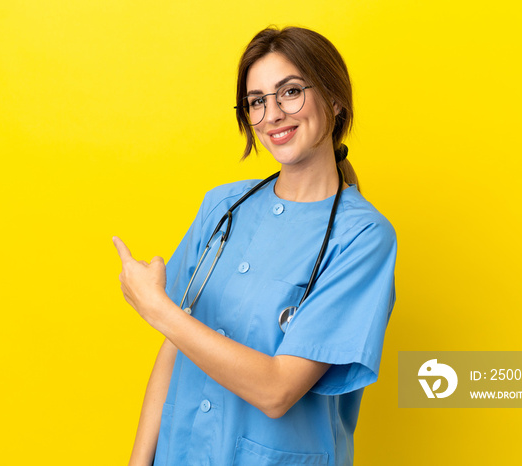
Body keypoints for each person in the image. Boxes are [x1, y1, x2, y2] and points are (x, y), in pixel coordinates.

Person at [114, 26, 397, 466]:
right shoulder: (223, 207)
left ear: (335, 99)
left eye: (290, 92)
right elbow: (175, 345)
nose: (272, 115)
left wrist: (157, 310)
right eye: (257, 101)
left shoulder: (362, 238)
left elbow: (277, 390)